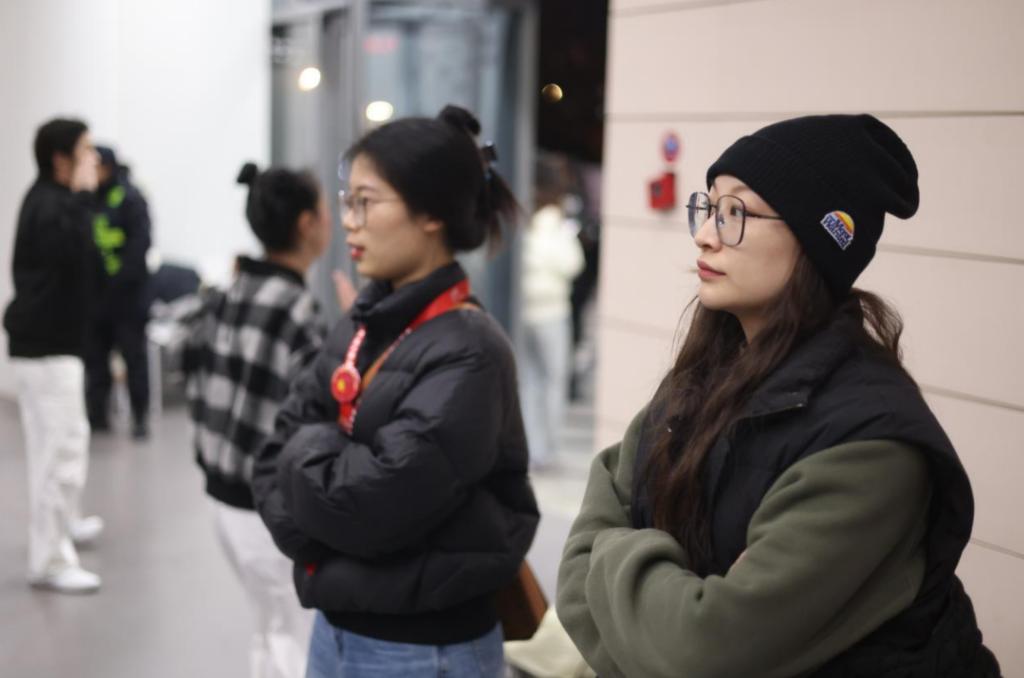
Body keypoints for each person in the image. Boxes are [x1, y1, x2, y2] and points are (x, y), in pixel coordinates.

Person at [557, 114, 1002, 677]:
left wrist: (610, 553)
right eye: (709, 207)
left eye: (736, 213)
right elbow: (573, 577)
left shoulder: (871, 445)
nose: (705, 234)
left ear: (816, 242)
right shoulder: (703, 380)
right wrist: (659, 605)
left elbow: (701, 653)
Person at [251, 105, 539, 678]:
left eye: (366, 202)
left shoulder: (470, 350)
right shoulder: (367, 322)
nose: (348, 222)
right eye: (347, 201)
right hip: (337, 628)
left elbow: (365, 506)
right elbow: (267, 460)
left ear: (430, 212)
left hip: (422, 651)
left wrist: (310, 459)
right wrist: (324, 492)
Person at [171, 163, 334, 678]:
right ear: (307, 224)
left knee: (270, 628)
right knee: (296, 639)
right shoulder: (297, 308)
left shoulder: (229, 290)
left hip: (224, 498)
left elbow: (187, 359)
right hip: (266, 509)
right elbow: (320, 417)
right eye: (328, 208)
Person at [3, 118, 105, 593]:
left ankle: (65, 524)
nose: (94, 159)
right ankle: (49, 561)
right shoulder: (53, 206)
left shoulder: (51, 201)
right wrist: (83, 197)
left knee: (63, 444)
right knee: (58, 454)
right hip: (46, 351)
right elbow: (73, 254)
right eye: (86, 151)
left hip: (50, 346)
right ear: (61, 160)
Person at [519, 153, 584, 470]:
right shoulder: (556, 223)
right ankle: (549, 449)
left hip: (524, 312)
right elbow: (573, 264)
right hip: (552, 312)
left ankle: (534, 448)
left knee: (530, 381)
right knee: (554, 381)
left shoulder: (525, 220)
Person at [84, 145, 153, 439]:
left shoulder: (130, 197)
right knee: (95, 361)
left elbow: (140, 243)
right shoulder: (87, 198)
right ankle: (98, 417)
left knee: (134, 359)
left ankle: (140, 418)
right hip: (96, 300)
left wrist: (120, 282)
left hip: (128, 299)